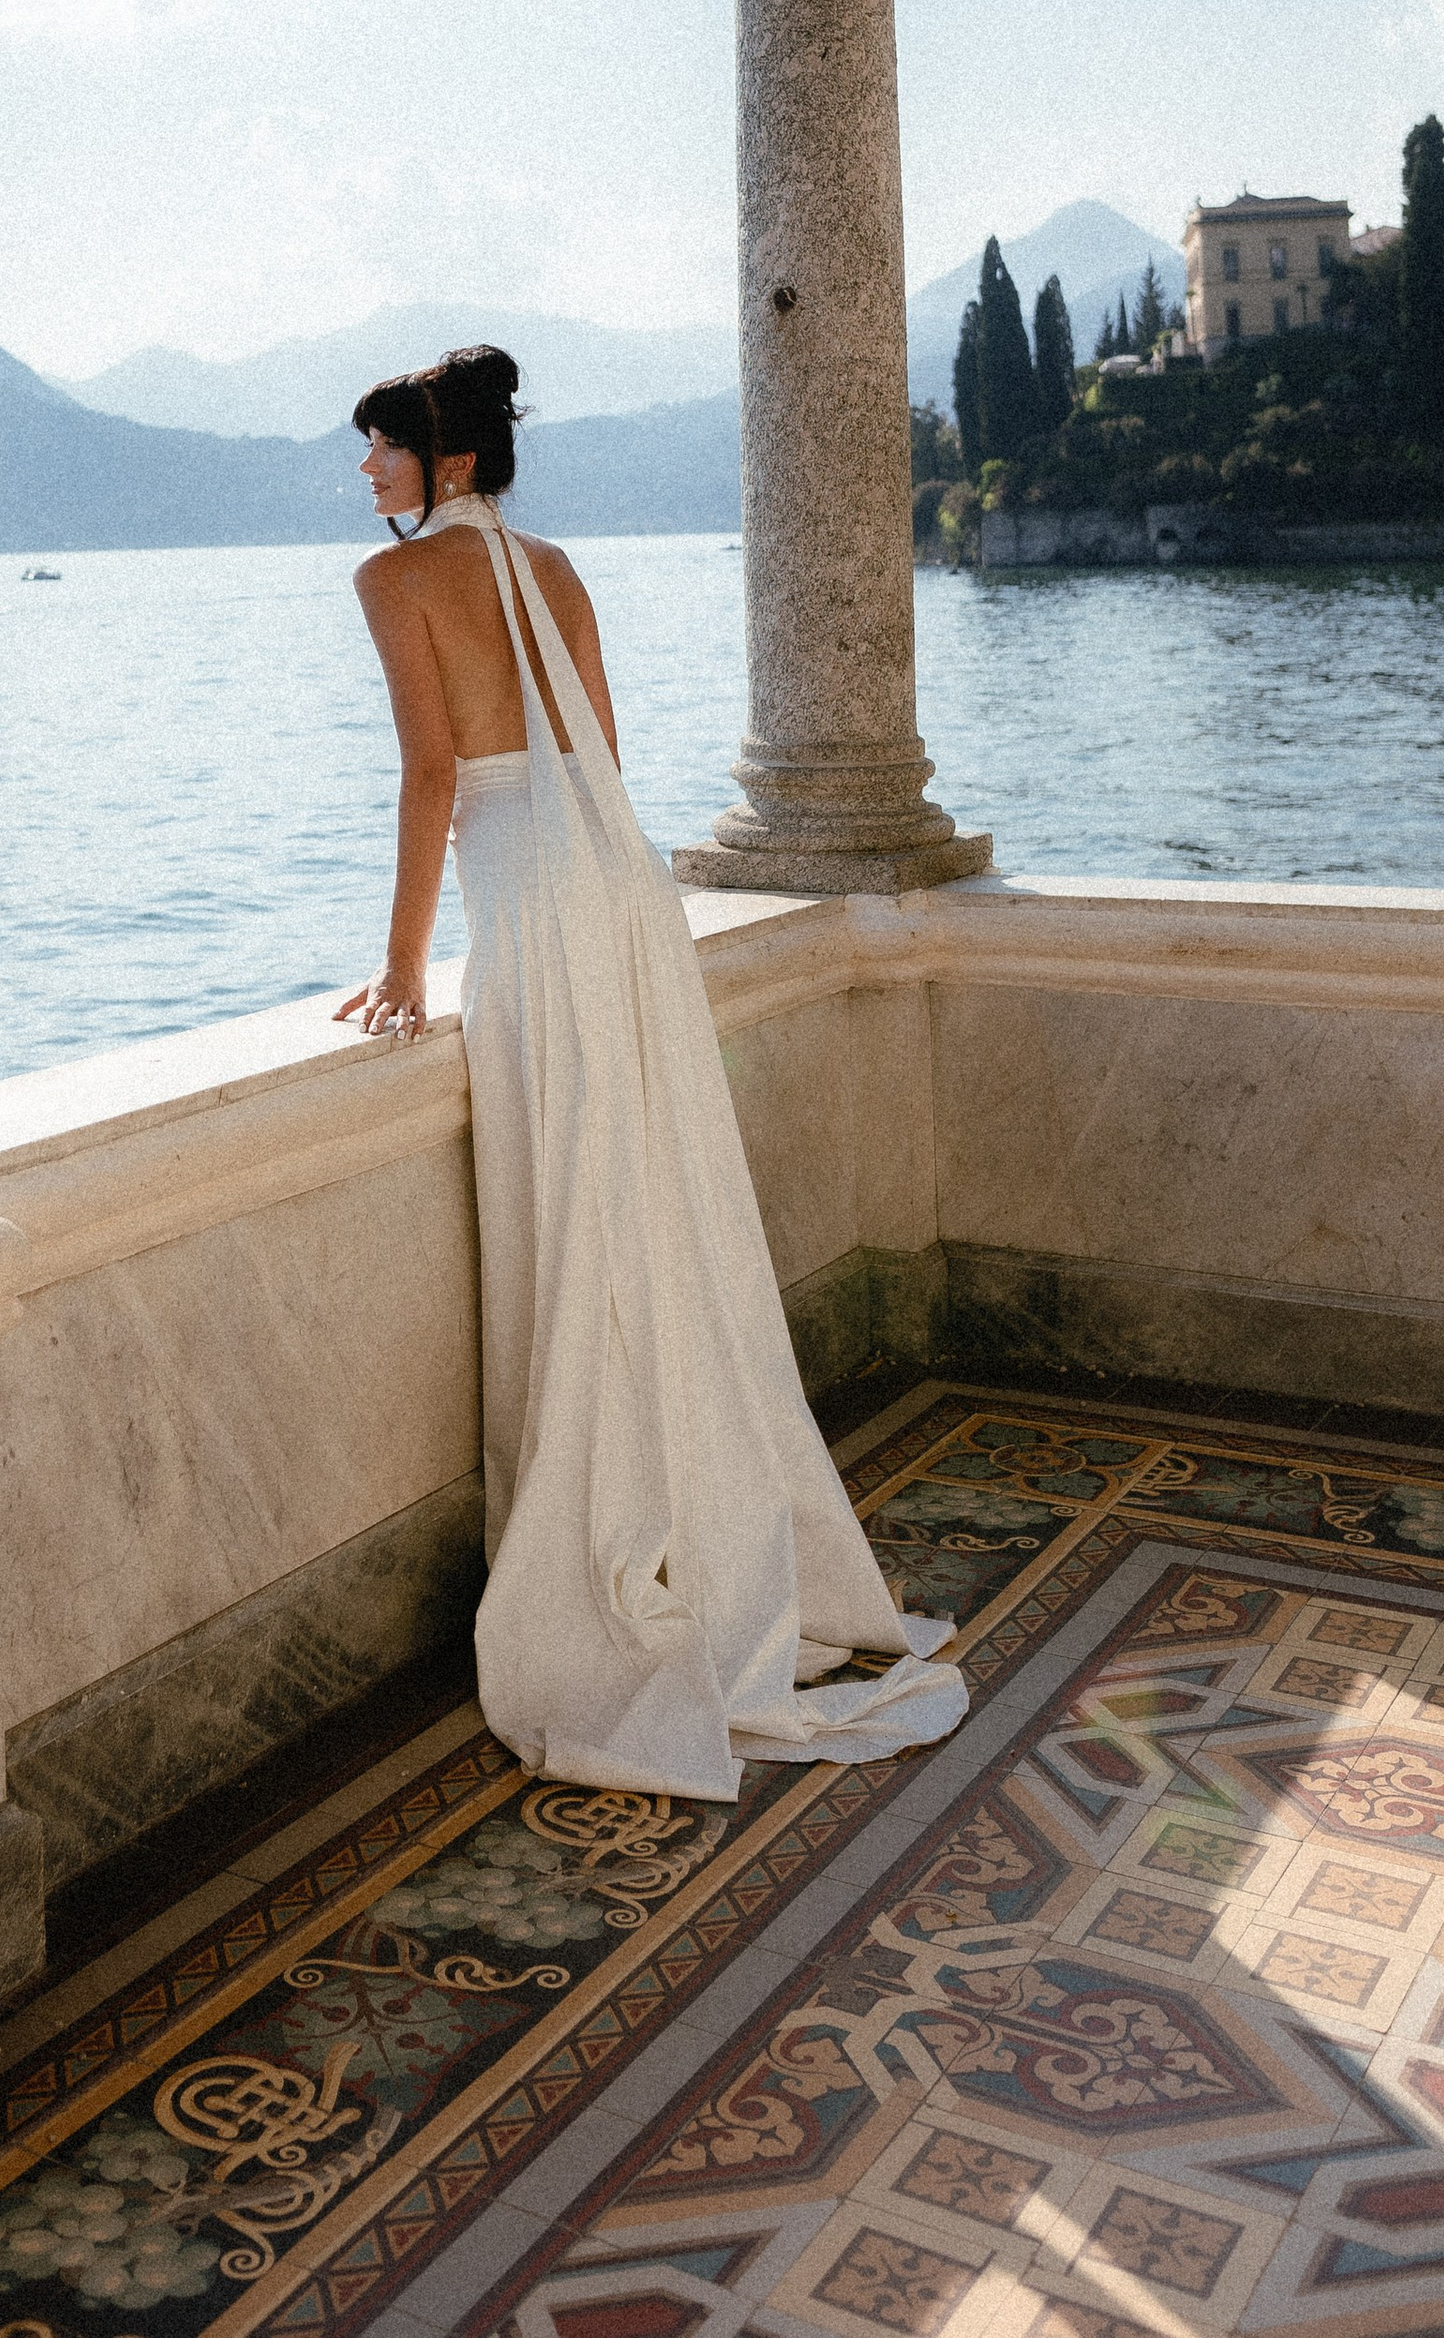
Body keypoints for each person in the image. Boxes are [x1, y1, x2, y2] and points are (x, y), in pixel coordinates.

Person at [334, 344, 967, 1803]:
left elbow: (433, 776)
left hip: (540, 911)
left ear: (447, 464)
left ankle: (607, 1532)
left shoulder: (394, 583)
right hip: (621, 890)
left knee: (581, 1207)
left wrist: (409, 963)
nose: (365, 475)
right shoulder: (555, 573)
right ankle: (703, 1518)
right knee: (655, 1200)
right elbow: (601, 760)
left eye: (380, 452)